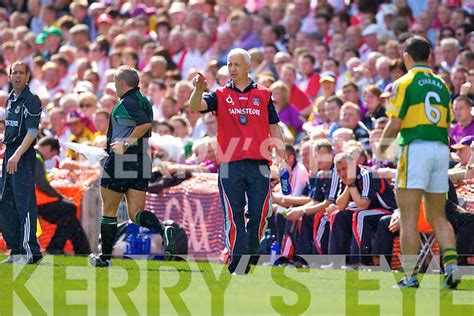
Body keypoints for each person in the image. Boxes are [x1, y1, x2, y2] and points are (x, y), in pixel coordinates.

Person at [189, 48, 288, 274]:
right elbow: (195, 106)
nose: (232, 69)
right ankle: (237, 264)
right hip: (229, 165)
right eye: (230, 65)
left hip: (259, 164)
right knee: (233, 214)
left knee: (260, 214)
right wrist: (197, 89)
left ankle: (251, 250)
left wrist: (282, 159)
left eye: (236, 64)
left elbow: (274, 127)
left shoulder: (264, 94)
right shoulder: (220, 94)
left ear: (248, 66)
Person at [379, 36, 460, 289]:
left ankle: (411, 276)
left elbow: (394, 123)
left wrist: (382, 150)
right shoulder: (441, 84)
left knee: (408, 217)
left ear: (406, 56)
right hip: (439, 148)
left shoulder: (404, 82)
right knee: (438, 216)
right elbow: (447, 124)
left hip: (415, 147)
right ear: (430, 56)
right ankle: (453, 269)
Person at [89, 66, 176, 267]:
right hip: (141, 159)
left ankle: (105, 258)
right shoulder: (143, 100)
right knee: (136, 213)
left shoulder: (128, 101)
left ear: (120, 83)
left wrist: (124, 143)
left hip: (122, 160)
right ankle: (163, 229)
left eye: (114, 83)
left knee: (108, 211)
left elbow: (145, 124)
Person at [0, 61, 42, 264]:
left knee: (24, 202)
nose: (17, 76)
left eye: (21, 73)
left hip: (22, 155)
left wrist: (16, 155)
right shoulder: (11, 98)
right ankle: (15, 249)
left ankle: (30, 251)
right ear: (9, 76)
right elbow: (12, 127)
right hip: (9, 152)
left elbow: (32, 131)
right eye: (13, 72)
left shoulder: (31, 100)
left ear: (27, 77)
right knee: (5, 201)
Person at [34, 137, 90, 255]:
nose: (50, 158)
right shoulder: (36, 157)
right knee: (70, 209)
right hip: (37, 202)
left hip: (36, 201)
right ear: (48, 148)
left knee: (68, 217)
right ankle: (59, 247)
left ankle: (81, 250)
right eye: (52, 155)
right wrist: (60, 196)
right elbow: (41, 183)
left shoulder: (33, 156)